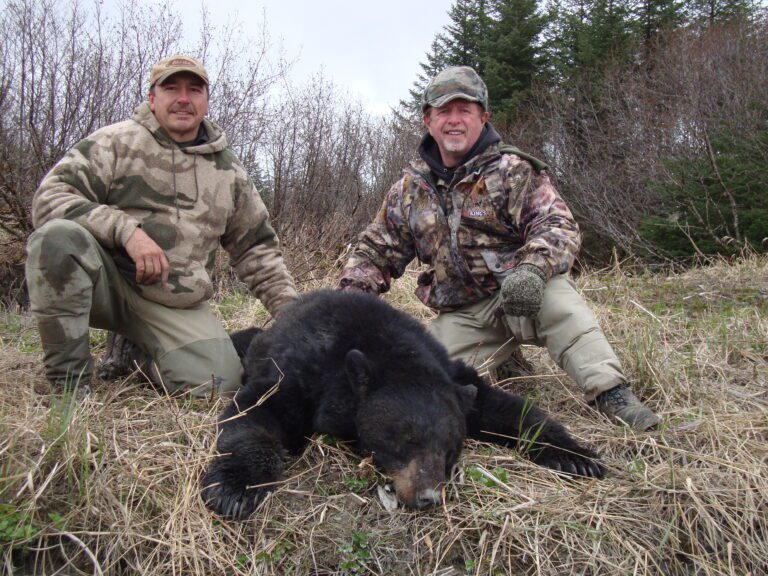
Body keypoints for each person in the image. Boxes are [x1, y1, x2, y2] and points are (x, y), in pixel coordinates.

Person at [338, 66, 660, 431]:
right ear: (428, 120)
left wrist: (533, 269)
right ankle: (506, 360)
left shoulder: (512, 170)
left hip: (523, 292)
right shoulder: (410, 190)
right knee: (424, 376)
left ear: (483, 117)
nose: (454, 120)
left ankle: (613, 393)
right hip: (463, 314)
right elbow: (374, 252)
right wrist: (348, 306)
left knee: (561, 305)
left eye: (465, 110)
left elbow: (557, 225)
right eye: (444, 111)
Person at [25, 55, 297, 398]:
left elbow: (258, 250)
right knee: (57, 239)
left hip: (172, 302)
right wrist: (127, 232)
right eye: (171, 88)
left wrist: (296, 317)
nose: (183, 98)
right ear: (152, 98)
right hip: (106, 283)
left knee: (217, 387)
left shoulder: (230, 173)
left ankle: (140, 353)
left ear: (206, 101)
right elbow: (50, 197)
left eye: (194, 90)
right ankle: (70, 387)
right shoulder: (115, 142)